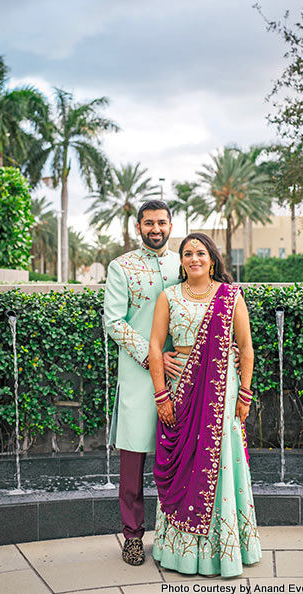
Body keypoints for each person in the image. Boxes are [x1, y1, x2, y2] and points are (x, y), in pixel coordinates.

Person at [148, 232, 262, 577]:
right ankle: (180, 551)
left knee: (221, 459)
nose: (193, 258)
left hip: (221, 391)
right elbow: (155, 347)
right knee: (185, 460)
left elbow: (246, 348)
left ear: (212, 259)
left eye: (200, 252)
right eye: (187, 253)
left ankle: (223, 551)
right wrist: (161, 394)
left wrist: (245, 393)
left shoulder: (230, 296)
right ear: (180, 262)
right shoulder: (168, 296)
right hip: (181, 387)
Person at [104, 200, 183, 566]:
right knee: (133, 463)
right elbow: (114, 322)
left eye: (162, 222)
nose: (156, 229)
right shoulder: (121, 267)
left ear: (171, 224)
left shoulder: (185, 261)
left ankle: (177, 536)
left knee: (182, 460)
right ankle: (133, 537)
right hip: (139, 378)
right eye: (148, 223)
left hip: (182, 374)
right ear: (139, 227)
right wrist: (153, 357)